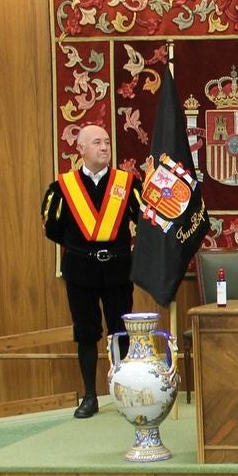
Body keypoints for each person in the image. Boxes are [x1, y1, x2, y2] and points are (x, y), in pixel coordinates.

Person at [41, 124, 141, 418]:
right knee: (86, 333)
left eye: (107, 142)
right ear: (80, 149)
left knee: (122, 331)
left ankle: (125, 392)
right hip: (81, 271)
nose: (104, 147)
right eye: (97, 142)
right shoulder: (62, 188)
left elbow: (144, 222)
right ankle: (89, 396)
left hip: (118, 270)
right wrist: (83, 247)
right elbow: (53, 229)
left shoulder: (128, 184)